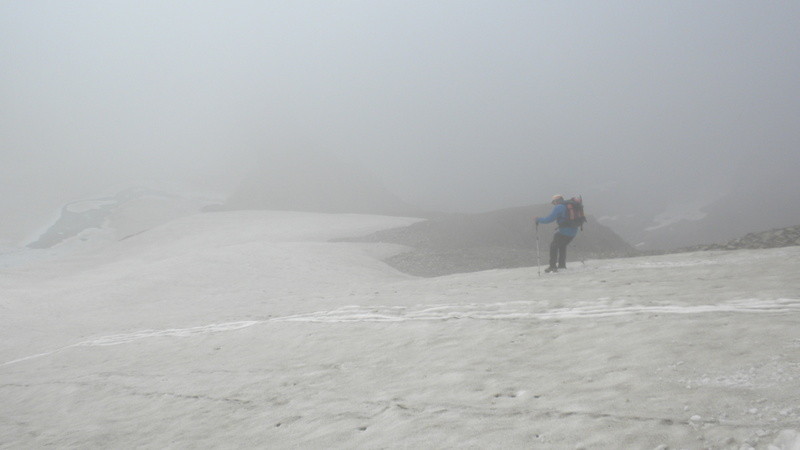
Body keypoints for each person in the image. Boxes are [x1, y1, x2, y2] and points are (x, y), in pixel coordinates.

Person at [535, 195, 579, 273]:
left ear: (556, 201)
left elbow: (549, 219)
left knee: (554, 246)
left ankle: (552, 266)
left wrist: (538, 219)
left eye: (554, 202)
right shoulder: (568, 206)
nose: (554, 204)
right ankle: (562, 265)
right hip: (574, 231)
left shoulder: (559, 207)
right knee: (562, 245)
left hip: (564, 231)